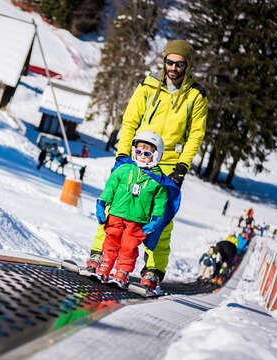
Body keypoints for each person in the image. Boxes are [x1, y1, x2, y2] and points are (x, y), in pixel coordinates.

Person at [85, 39, 208, 291]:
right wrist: (122, 154)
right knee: (116, 207)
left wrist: (182, 166)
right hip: (138, 154)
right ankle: (100, 253)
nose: (173, 67)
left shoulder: (195, 95)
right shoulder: (148, 86)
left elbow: (196, 134)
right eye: (169, 62)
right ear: (164, 61)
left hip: (168, 163)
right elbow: (130, 120)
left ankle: (153, 269)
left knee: (161, 217)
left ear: (187, 64)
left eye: (179, 63)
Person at [94, 131, 169, 288]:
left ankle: (121, 273)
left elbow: (160, 203)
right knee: (110, 241)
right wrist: (102, 202)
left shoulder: (158, 181)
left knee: (128, 247)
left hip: (137, 221)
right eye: (138, 151)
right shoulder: (124, 169)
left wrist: (156, 219)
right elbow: (111, 187)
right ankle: (104, 267)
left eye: (147, 153)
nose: (141, 155)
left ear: (156, 155)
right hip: (116, 215)